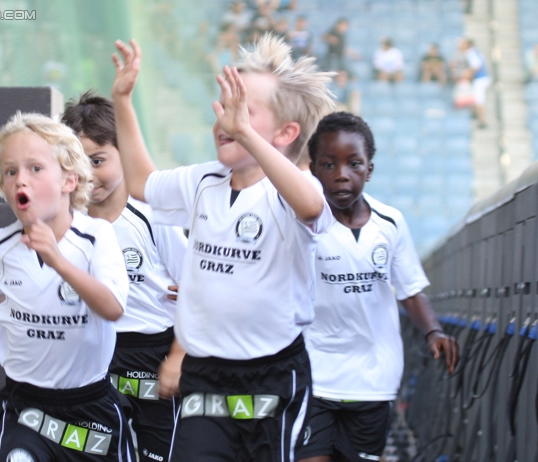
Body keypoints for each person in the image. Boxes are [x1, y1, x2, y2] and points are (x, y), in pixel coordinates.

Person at [110, 34, 335, 461]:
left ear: (286, 132)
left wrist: (248, 136)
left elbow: (309, 206)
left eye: (244, 110)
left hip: (272, 377)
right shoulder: (203, 182)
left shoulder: (288, 191)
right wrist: (123, 100)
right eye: (223, 106)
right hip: (206, 377)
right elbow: (141, 184)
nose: (226, 119)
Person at [0, 112, 136, 461]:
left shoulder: (97, 237)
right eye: (11, 171)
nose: (20, 181)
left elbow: (112, 308)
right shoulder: (3, 245)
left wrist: (58, 260)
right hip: (26, 409)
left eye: (35, 168)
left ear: (69, 181)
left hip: (89, 411)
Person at [297, 112, 460, 462]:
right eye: (329, 164)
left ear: (369, 169)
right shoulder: (302, 223)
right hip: (314, 375)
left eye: (354, 164)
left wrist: (433, 332)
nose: (342, 174)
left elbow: (410, 290)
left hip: (374, 379)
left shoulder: (390, 222)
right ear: (312, 169)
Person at [62, 91, 188, 462]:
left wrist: (178, 357)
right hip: (97, 358)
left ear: (125, 155)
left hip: (154, 358)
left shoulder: (153, 216)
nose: (88, 175)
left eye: (98, 161)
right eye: (77, 164)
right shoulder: (67, 224)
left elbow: (195, 290)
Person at [461, 38, 490, 128]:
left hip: (480, 79)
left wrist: (466, 73)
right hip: (480, 78)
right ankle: (475, 115)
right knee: (474, 98)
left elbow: (476, 66)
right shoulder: (476, 52)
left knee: (478, 100)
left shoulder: (471, 53)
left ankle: (483, 120)